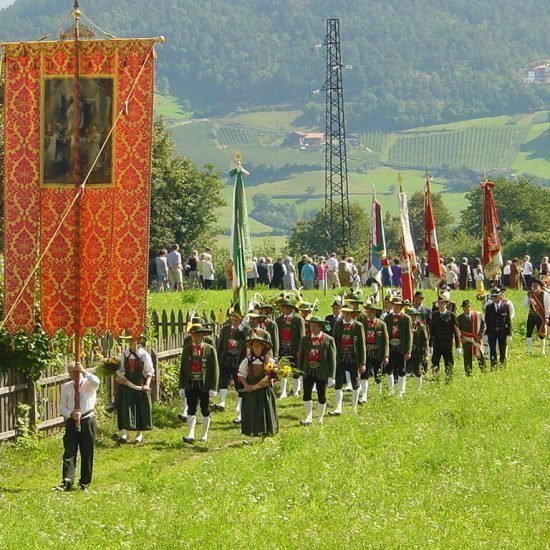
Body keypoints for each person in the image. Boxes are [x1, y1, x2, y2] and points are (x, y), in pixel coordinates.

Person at [54, 362, 100, 492]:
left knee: (87, 451)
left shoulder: (89, 383)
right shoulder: (67, 387)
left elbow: (97, 381)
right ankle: (67, 482)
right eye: (70, 372)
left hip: (87, 419)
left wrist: (84, 372)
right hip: (72, 421)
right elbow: (62, 406)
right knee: (69, 451)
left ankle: (84, 483)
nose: (73, 375)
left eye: (75, 372)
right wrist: (70, 414)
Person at [179, 324, 219, 444]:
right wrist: (181, 386)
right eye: (193, 335)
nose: (195, 338)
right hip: (191, 384)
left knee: (205, 409)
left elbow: (215, 370)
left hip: (204, 384)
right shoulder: (187, 350)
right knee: (191, 408)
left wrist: (213, 387)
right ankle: (190, 434)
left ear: (203, 336)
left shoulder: (209, 349)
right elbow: (182, 369)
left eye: (198, 335)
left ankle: (204, 435)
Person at [297, 316, 337, 425]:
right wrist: (300, 372)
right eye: (310, 325)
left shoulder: (329, 340)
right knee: (306, 394)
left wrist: (331, 376)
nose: (312, 328)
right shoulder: (305, 339)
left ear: (320, 326)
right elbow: (301, 357)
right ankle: (308, 417)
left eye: (314, 325)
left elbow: (332, 359)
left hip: (322, 371)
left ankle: (320, 418)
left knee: (322, 395)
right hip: (308, 370)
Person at [116, 336, 154, 444]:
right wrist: (119, 379)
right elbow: (119, 369)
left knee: (140, 408)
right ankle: (124, 434)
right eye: (129, 340)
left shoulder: (144, 355)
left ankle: (139, 434)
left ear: (138, 341)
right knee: (124, 408)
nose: (131, 342)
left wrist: (147, 384)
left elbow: (149, 371)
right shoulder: (124, 354)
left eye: (133, 340)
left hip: (139, 384)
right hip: (126, 384)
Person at [238, 337, 278, 438]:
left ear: (263, 347)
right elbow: (241, 375)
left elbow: (274, 375)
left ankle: (265, 434)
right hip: (251, 392)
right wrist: (247, 386)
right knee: (251, 412)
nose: (256, 348)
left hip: (265, 391)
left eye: (258, 346)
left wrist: (271, 380)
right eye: (254, 346)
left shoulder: (269, 360)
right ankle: (251, 435)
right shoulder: (247, 360)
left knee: (264, 412)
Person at [330, 304, 366, 415]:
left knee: (355, 382)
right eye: (344, 312)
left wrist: (362, 362)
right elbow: (334, 341)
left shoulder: (358, 326)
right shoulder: (338, 325)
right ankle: (338, 408)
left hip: (353, 358)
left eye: (347, 313)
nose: (345, 315)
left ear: (352, 314)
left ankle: (354, 408)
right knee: (338, 383)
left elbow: (362, 345)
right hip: (340, 357)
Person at [214, 307, 246, 413]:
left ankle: (239, 405)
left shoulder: (243, 331)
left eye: (237, 320)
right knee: (223, 380)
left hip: (238, 359)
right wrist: (219, 358)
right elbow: (220, 345)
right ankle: (222, 402)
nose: (234, 322)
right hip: (226, 358)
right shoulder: (225, 329)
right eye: (232, 320)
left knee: (238, 382)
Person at [275, 298, 305, 398]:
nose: (281, 309)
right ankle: (283, 392)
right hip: (283, 347)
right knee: (283, 369)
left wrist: (300, 350)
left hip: (294, 348)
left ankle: (296, 391)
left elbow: (301, 336)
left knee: (295, 370)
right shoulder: (279, 320)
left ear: (288, 308)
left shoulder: (298, 319)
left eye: (283, 307)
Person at [359, 301, 389, 402]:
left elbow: (386, 341)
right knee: (364, 374)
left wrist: (386, 355)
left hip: (377, 352)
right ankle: (364, 395)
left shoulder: (381, 324)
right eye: (368, 311)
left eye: (372, 311)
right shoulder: (362, 325)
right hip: (366, 352)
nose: (370, 313)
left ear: (375, 312)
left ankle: (378, 393)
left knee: (378, 373)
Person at [383, 297, 412, 396]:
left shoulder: (406, 318)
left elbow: (409, 336)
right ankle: (391, 390)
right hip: (390, 347)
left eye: (398, 305)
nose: (395, 307)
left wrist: (408, 351)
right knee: (389, 369)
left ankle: (401, 391)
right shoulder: (387, 318)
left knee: (401, 369)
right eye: (394, 305)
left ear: (401, 307)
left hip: (401, 347)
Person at [430, 296, 461, 381]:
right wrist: (430, 345)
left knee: (449, 362)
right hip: (437, 343)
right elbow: (431, 331)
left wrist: (458, 346)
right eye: (439, 303)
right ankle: (435, 379)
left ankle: (449, 379)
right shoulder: (434, 315)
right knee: (435, 361)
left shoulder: (451, 315)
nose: (441, 305)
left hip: (447, 344)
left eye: (443, 303)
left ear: (446, 304)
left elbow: (456, 331)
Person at [484, 288, 513, 369]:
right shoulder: (489, 307)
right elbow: (486, 321)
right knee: (492, 349)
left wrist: (509, 333)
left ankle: (502, 365)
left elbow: (508, 320)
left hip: (502, 331)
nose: (495, 298)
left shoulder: (505, 306)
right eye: (493, 297)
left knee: (502, 349)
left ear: (500, 296)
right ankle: (493, 365)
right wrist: (485, 333)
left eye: (496, 296)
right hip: (492, 331)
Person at [457, 299, 486, 375]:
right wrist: (461, 338)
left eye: (468, 306)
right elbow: (457, 330)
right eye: (465, 307)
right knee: (467, 359)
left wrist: (480, 336)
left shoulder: (477, 315)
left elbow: (483, 326)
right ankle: (468, 374)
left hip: (477, 340)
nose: (467, 308)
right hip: (466, 341)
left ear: (470, 307)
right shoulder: (459, 318)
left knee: (481, 357)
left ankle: (484, 372)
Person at [523, 278, 550, 354]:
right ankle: (529, 350)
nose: (534, 286)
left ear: (539, 286)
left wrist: (547, 317)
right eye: (533, 285)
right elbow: (524, 305)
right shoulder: (529, 294)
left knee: (542, 333)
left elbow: (547, 307)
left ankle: (542, 350)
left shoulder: (545, 294)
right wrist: (529, 300)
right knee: (529, 333)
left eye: (536, 285)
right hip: (531, 316)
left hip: (540, 317)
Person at [406, 308, 429, 391]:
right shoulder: (404, 326)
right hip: (406, 351)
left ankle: (418, 389)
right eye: (410, 316)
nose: (412, 318)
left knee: (418, 370)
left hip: (417, 351)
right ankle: (403, 388)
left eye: (414, 316)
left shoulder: (421, 327)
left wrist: (426, 354)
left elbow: (425, 341)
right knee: (403, 370)